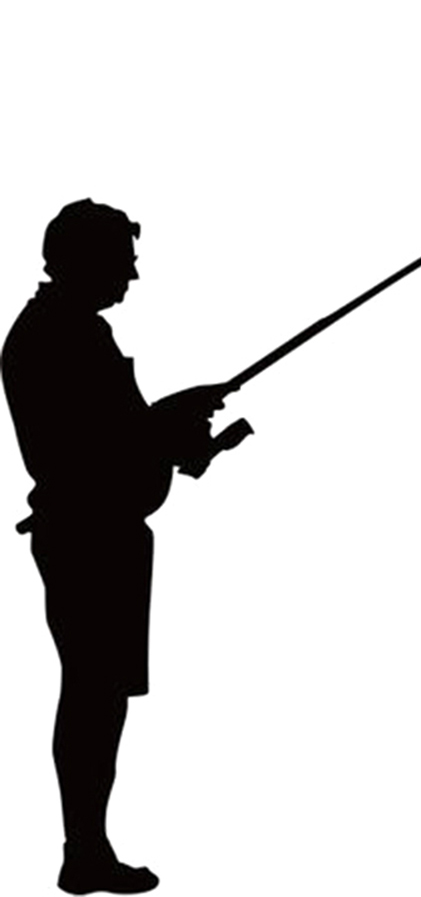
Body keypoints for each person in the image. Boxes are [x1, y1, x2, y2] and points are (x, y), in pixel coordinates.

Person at [1, 200, 250, 894]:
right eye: (123, 260)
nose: (133, 275)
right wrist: (171, 421)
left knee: (100, 697)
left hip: (100, 535)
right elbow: (91, 451)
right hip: (89, 539)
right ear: (85, 260)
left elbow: (115, 437)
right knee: (92, 695)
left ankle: (87, 848)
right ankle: (84, 852)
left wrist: (177, 424)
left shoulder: (71, 330)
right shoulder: (58, 335)